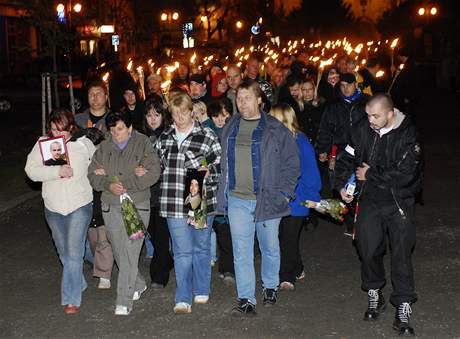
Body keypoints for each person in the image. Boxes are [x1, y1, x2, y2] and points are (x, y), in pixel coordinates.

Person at [334, 94, 422, 336]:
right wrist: (343, 184)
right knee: (367, 248)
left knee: (401, 254)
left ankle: (403, 306)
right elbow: (346, 158)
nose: (371, 120)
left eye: (376, 116)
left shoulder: (407, 134)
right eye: (368, 115)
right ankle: (375, 292)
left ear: (390, 114)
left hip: (398, 202)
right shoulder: (362, 129)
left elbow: (407, 174)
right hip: (370, 200)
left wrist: (371, 174)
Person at [216, 79, 300, 317]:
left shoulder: (275, 128)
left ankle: (270, 286)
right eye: (238, 98)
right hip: (236, 198)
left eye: (247, 98)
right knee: (241, 250)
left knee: (269, 246)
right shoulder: (231, 125)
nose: (241, 103)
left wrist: (285, 193)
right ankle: (246, 298)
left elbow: (292, 162)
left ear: (260, 100)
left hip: (267, 198)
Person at [88, 111, 161, 315]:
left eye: (120, 129)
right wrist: (107, 184)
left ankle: (124, 300)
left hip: (137, 204)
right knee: (119, 250)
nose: (116, 134)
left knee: (130, 250)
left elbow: (154, 172)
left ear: (129, 128)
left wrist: (126, 183)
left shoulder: (143, 143)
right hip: (111, 205)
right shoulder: (104, 147)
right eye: (112, 130)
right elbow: (92, 174)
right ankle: (137, 284)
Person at [154, 92, 221, 314]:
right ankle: (183, 297)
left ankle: (201, 288)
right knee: (182, 251)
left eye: (184, 112)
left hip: (198, 199)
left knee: (201, 247)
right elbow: (159, 167)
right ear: (170, 115)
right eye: (175, 114)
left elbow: (220, 168)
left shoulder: (208, 136)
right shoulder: (164, 138)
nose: (180, 117)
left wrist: (209, 173)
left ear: (192, 111)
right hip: (173, 201)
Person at [25, 108, 96, 314]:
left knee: (74, 253)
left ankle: (71, 298)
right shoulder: (43, 145)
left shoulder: (83, 144)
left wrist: (100, 171)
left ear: (71, 127)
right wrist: (56, 171)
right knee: (64, 253)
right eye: (54, 130)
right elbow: (31, 171)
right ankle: (78, 281)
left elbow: (100, 160)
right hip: (54, 207)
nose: (58, 135)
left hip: (79, 206)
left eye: (62, 130)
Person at [269, 103, 321, 291]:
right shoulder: (274, 141)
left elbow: (311, 171)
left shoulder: (301, 141)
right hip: (280, 198)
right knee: (284, 235)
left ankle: (286, 276)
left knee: (288, 237)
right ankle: (297, 267)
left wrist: (313, 196)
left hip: (298, 199)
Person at [143, 97, 174, 289]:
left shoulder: (169, 136)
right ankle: (167, 261)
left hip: (164, 191)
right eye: (148, 115)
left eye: (156, 114)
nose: (152, 119)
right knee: (152, 233)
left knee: (161, 235)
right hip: (147, 193)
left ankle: (159, 275)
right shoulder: (141, 138)